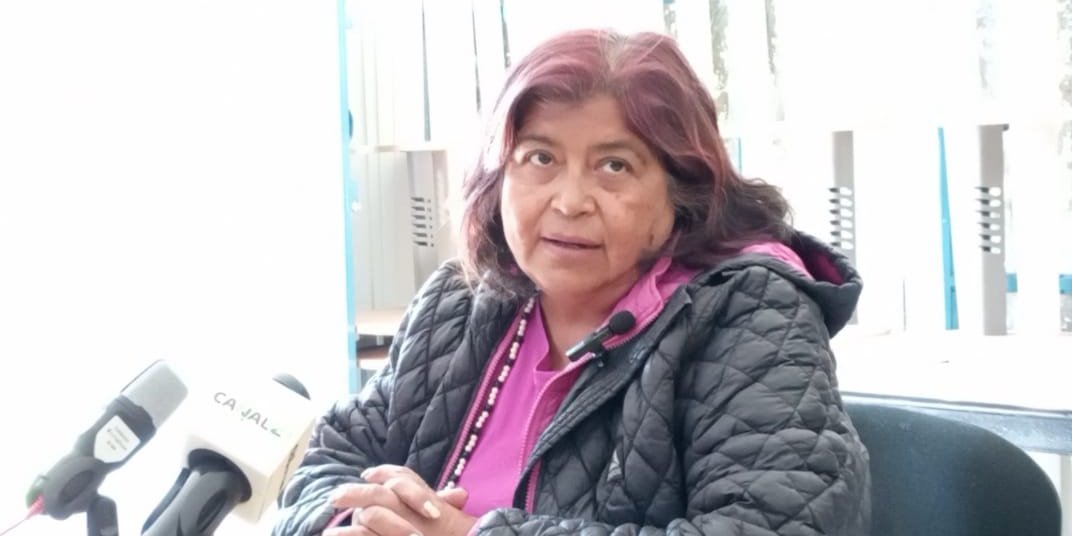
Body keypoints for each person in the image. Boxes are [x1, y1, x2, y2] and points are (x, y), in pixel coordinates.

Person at [274, 28, 870, 536]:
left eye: (614, 165)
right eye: (541, 158)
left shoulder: (749, 311)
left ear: (683, 190)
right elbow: (329, 457)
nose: (570, 201)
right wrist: (357, 521)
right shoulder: (459, 301)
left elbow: (772, 525)